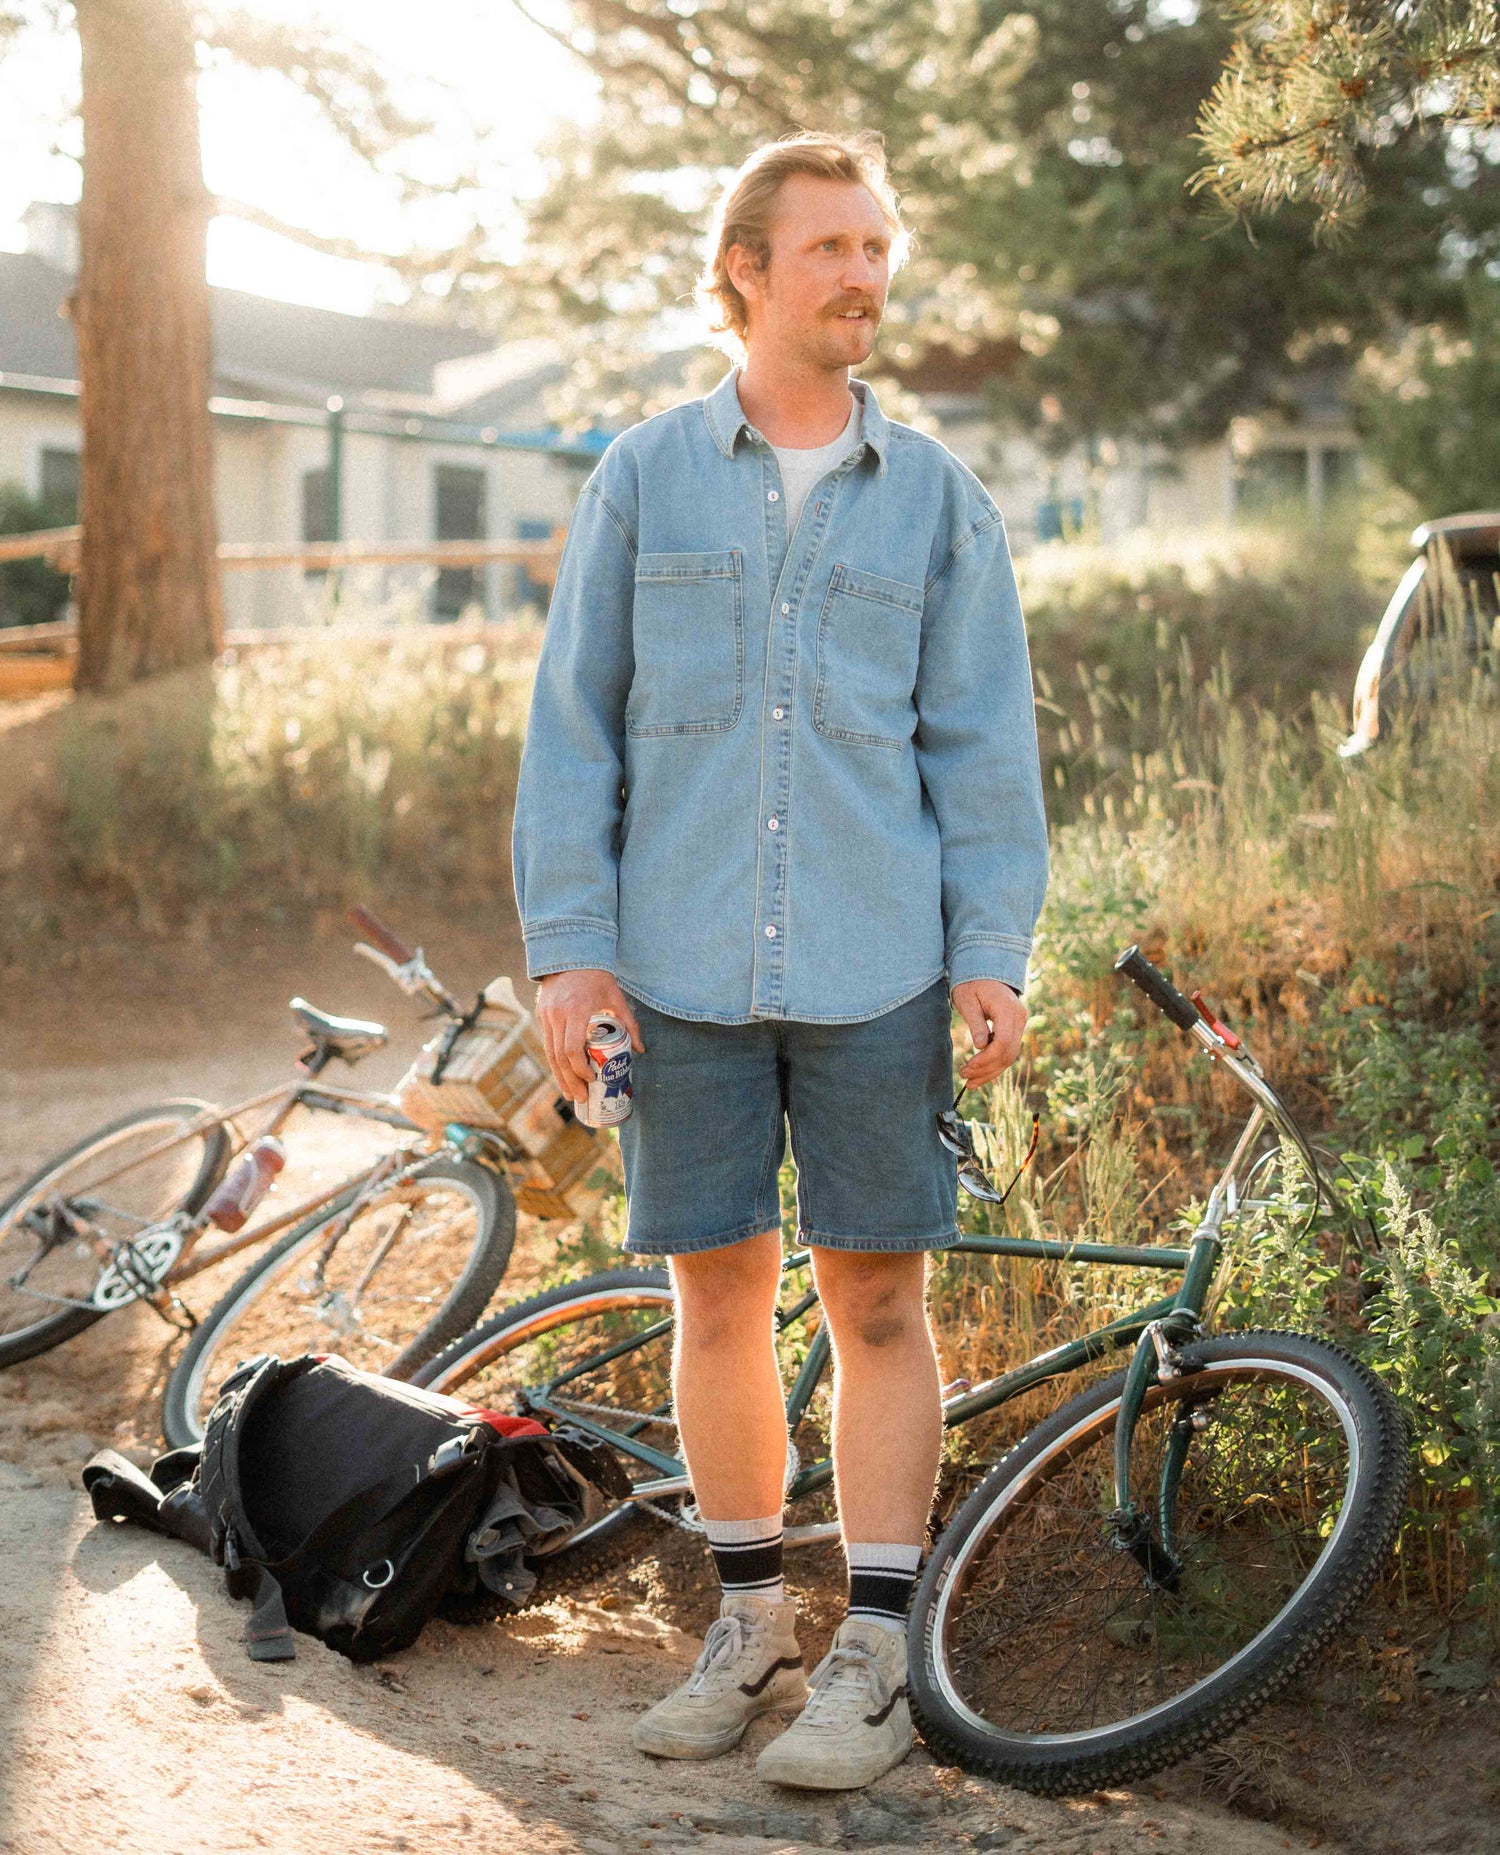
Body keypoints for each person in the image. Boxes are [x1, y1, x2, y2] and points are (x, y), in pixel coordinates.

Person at [511, 129, 1048, 1792]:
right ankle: (751, 1627)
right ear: (747, 267)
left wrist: (991, 953)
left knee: (879, 1299)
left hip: (882, 961)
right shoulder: (646, 475)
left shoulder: (941, 500)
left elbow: (983, 751)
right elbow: (572, 730)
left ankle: (875, 1654)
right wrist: (569, 957)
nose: (869, 277)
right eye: (835, 248)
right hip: (672, 965)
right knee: (715, 1289)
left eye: (882, 249)